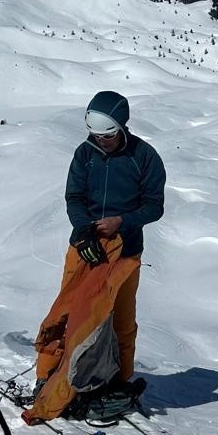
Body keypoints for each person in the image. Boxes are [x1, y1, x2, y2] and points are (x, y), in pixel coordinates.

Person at [60, 90, 166, 383]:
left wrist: (122, 221)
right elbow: (74, 197)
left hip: (126, 251)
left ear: (121, 128)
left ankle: (120, 381)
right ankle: (56, 378)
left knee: (121, 320)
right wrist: (83, 229)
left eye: (107, 136)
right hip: (84, 248)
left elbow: (154, 206)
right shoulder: (85, 153)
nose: (100, 141)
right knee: (71, 315)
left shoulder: (143, 157)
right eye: (95, 135)